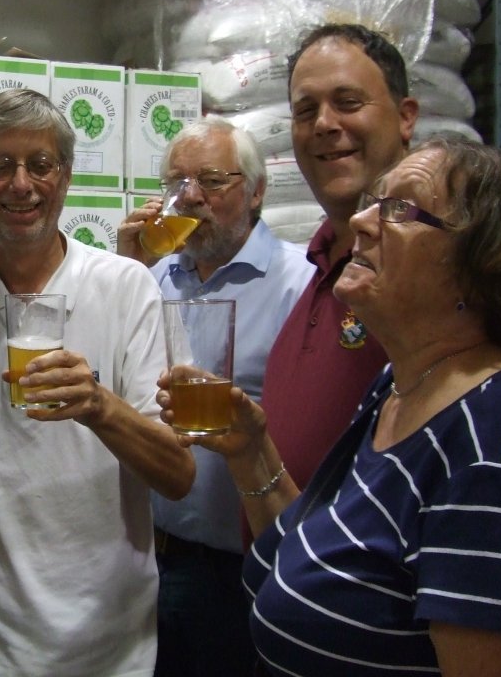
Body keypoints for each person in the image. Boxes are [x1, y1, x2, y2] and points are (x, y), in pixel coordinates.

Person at [168, 136, 501, 675]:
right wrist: (252, 453)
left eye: (400, 209)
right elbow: (315, 556)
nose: (363, 220)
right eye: (374, 202)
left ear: (488, 260)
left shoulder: (497, 448)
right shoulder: (400, 387)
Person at [0, 89, 194, 677]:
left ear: (64, 177)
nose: (22, 185)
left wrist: (99, 405)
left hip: (112, 645)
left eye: (40, 165)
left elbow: (178, 475)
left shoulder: (127, 287)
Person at [116, 115, 314, 677]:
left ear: (255, 192)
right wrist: (125, 272)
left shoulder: (299, 284)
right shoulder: (153, 278)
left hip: (243, 569)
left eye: (213, 181)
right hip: (148, 561)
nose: (192, 197)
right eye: (178, 184)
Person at [261, 23, 419, 492]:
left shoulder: (436, 260)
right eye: (305, 110)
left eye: (348, 102)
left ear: (406, 117)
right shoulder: (320, 258)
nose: (325, 124)